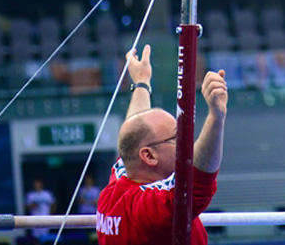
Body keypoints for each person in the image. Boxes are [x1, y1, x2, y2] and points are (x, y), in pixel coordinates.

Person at [96, 45, 229, 244]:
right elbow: (199, 181)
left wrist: (142, 83)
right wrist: (216, 116)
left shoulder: (116, 187)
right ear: (149, 156)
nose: (186, 145)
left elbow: (136, 129)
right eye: (177, 138)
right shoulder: (148, 208)